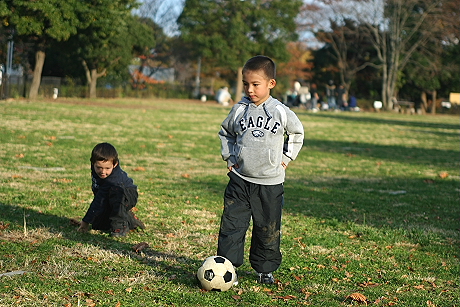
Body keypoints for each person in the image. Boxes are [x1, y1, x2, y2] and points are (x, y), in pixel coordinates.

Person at [217, 55, 304, 284]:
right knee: (232, 226)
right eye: (246, 84)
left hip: (270, 183)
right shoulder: (239, 110)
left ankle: (265, 270)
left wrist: (285, 158)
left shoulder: (280, 111)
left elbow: (297, 134)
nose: (250, 89)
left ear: (271, 84)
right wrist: (230, 157)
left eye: (256, 84)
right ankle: (227, 268)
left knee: (267, 229)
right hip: (239, 180)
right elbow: (226, 133)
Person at [77, 142, 145, 237]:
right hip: (110, 195)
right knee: (99, 225)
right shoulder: (96, 168)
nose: (103, 172)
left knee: (117, 193)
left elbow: (99, 200)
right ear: (93, 163)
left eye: (107, 168)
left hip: (127, 195)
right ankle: (129, 219)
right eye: (99, 167)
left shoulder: (114, 179)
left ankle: (120, 227)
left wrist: (85, 222)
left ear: (115, 164)